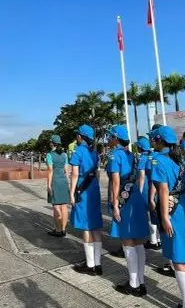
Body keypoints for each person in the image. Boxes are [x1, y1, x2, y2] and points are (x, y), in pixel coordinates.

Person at [149, 125, 185, 308]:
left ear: (159, 140)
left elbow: (163, 190)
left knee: (179, 262)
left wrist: (164, 217)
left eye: (153, 138)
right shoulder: (182, 160)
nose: (151, 141)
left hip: (172, 210)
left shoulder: (157, 161)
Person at [107, 125, 148, 296]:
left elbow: (115, 182)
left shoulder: (114, 155)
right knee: (138, 241)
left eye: (110, 137)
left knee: (127, 241)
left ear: (116, 138)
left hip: (124, 199)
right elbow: (139, 177)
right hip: (136, 197)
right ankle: (141, 281)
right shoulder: (132, 155)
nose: (108, 140)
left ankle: (133, 284)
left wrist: (115, 203)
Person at [69, 124, 104, 275]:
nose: (76, 137)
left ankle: (90, 265)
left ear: (81, 136)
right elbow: (97, 172)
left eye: (77, 134)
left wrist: (71, 192)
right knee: (95, 226)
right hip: (94, 189)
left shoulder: (78, 151)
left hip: (82, 190)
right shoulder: (94, 151)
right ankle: (97, 263)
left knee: (86, 227)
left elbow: (75, 174)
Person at [45, 135, 69, 237]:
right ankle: (63, 229)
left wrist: (48, 185)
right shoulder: (64, 155)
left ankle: (58, 230)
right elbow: (66, 170)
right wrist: (67, 182)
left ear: (52, 143)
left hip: (55, 180)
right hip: (63, 180)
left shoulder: (50, 155)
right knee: (64, 205)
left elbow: (50, 170)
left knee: (56, 205)